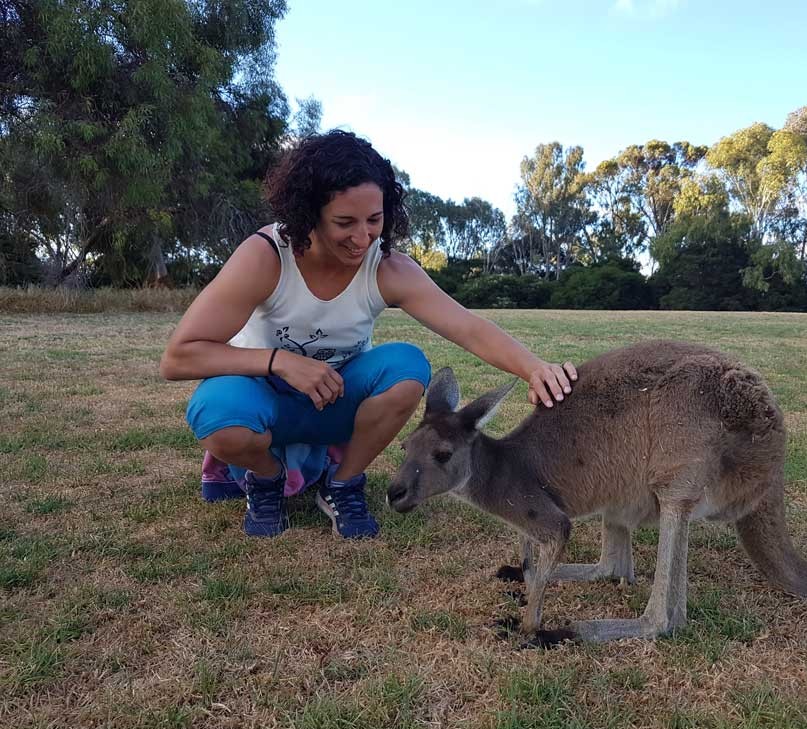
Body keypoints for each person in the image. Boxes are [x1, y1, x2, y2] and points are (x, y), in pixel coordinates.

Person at [160, 129, 577, 540]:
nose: (362, 238)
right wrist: (280, 362)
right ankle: (266, 479)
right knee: (217, 410)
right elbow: (180, 357)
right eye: (345, 222)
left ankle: (342, 483)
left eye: (374, 220)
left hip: (336, 399)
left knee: (407, 366)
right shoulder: (267, 256)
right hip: (264, 398)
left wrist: (534, 368)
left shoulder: (386, 267)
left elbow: (468, 327)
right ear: (309, 214)